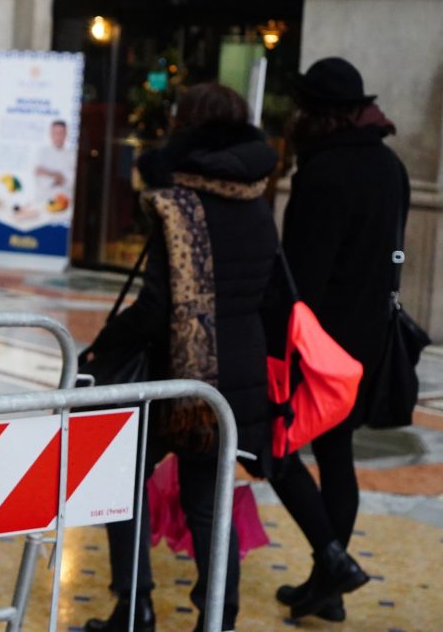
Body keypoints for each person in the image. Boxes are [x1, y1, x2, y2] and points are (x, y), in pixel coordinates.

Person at [79, 83, 281, 632]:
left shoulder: (176, 207)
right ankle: (218, 618)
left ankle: (134, 608)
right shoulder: (260, 206)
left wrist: (102, 347)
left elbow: (154, 309)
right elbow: (273, 297)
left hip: (175, 378)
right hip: (235, 383)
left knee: (121, 480)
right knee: (211, 505)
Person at [266, 57, 403, 621]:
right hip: (369, 339)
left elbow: (300, 276)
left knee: (273, 450)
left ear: (317, 114)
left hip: (318, 344)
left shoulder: (322, 175)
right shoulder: (391, 167)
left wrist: (278, 345)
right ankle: (326, 584)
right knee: (337, 453)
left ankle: (331, 567)